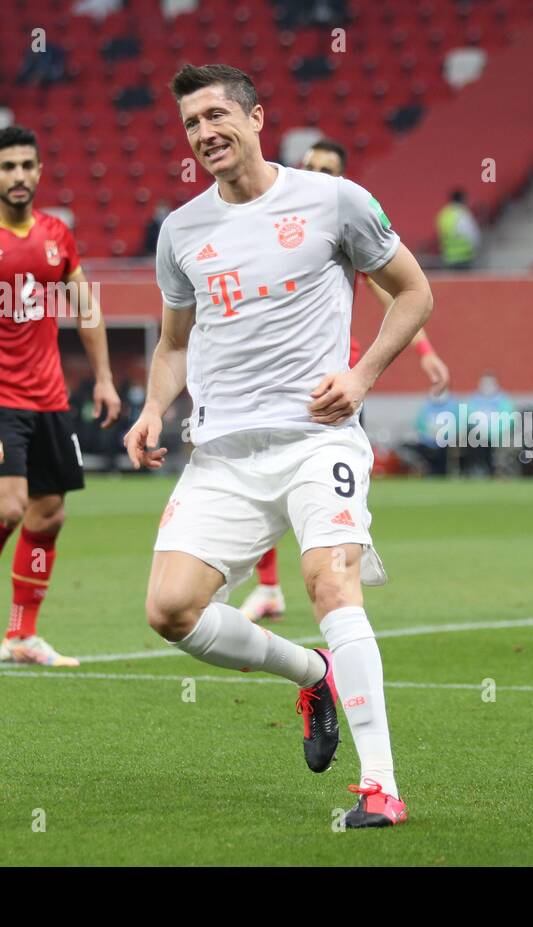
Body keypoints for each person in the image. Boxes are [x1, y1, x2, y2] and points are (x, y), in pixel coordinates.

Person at [124, 64, 433, 828]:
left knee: (330, 585)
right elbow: (172, 345)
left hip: (315, 438)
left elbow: (416, 291)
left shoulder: (333, 201)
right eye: (193, 123)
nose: (205, 133)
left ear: (258, 117)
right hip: (223, 452)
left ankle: (381, 786)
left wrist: (361, 377)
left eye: (218, 114)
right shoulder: (182, 231)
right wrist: (152, 408)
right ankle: (312, 674)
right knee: (169, 610)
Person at [0, 126, 122, 667]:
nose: (19, 176)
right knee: (10, 506)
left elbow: (86, 308)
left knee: (49, 515)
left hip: (51, 400)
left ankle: (20, 634)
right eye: (8, 167)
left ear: (39, 171)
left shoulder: (58, 234)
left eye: (27, 166)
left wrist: (103, 378)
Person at [238, 138, 450, 625]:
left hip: (336, 379)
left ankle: (350, 538)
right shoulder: (274, 223)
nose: (317, 173)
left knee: (333, 477)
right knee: (263, 476)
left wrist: (426, 353)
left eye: (328, 168)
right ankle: (269, 586)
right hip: (277, 377)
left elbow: (395, 292)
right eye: (311, 166)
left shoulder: (345, 225)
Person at [435, 187, 480, 269]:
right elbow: (473, 236)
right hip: (464, 259)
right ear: (462, 199)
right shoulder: (462, 214)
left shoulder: (444, 214)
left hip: (448, 258)